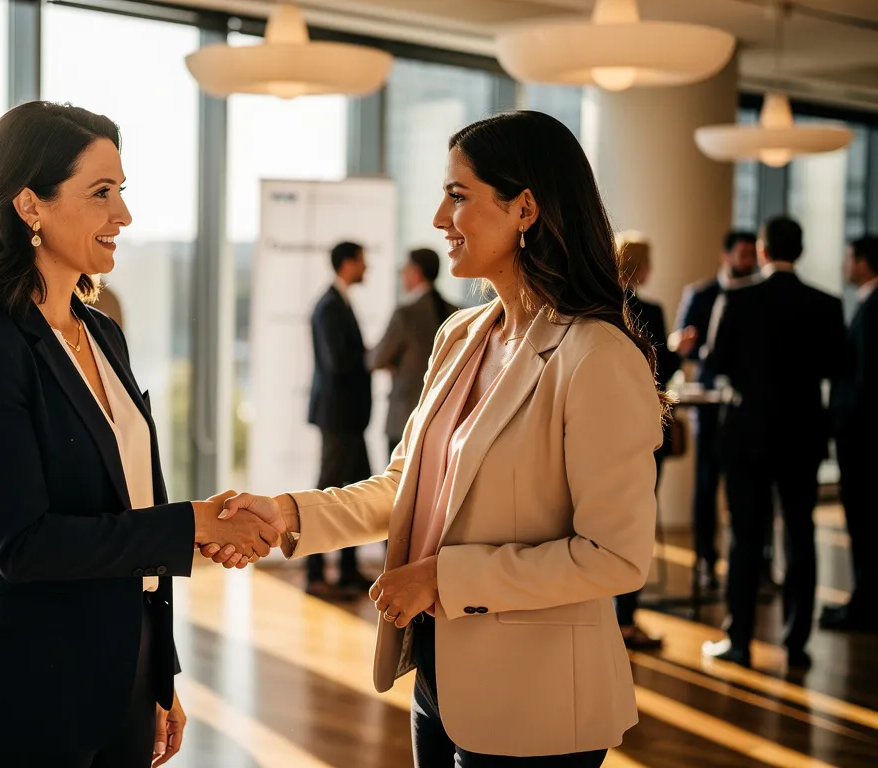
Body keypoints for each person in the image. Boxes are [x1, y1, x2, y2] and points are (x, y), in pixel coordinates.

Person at [211, 111, 665, 765]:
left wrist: (443, 579)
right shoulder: (461, 335)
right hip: (438, 680)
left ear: (525, 209)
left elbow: (614, 557)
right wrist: (287, 513)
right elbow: (406, 486)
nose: (437, 219)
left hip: (536, 703)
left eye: (457, 195)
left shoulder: (597, 356)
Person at [0, 101, 279, 767]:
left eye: (122, 191)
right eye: (101, 193)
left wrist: (160, 674)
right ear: (30, 205)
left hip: (123, 678)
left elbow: (129, 503)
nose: (124, 215)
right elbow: (23, 545)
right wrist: (191, 524)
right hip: (25, 694)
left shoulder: (102, 333)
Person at [702, 216, 845, 669]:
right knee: (800, 535)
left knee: (745, 537)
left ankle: (739, 640)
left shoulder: (737, 298)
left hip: (748, 431)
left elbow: (718, 360)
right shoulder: (826, 304)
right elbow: (837, 366)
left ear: (762, 251)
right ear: (799, 251)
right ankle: (796, 643)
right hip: (802, 433)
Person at [670, 231, 759, 589]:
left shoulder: (759, 296)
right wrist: (689, 347)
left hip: (748, 406)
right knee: (706, 483)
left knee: (752, 487)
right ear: (726, 255)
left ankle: (757, 563)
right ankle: (705, 558)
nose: (749, 261)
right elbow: (681, 343)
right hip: (708, 404)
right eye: (743, 254)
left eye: (753, 255)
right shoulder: (701, 294)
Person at [614, 233, 679, 651]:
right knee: (636, 524)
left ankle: (605, 616)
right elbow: (661, 372)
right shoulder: (649, 310)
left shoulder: (597, 307)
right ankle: (626, 618)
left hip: (603, 429)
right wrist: (677, 350)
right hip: (640, 432)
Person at [306, 241, 374, 597]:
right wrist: (374, 358)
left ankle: (347, 570)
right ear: (347, 264)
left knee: (357, 492)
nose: (367, 267)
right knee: (327, 493)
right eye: (362, 261)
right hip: (337, 417)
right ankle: (315, 575)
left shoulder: (339, 301)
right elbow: (338, 362)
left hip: (349, 418)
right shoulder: (330, 305)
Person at [823, 234, 878, 632]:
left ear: (864, 262)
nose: (845, 265)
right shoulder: (867, 304)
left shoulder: (874, 309)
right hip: (861, 436)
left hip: (863, 440)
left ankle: (866, 607)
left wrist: (844, 426)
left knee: (865, 523)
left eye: (849, 257)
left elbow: (866, 381)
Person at [370, 247, 458, 456]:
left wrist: (393, 363)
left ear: (416, 272)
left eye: (405, 268)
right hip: (445, 416)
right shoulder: (456, 311)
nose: (401, 274)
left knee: (397, 475)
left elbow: (376, 360)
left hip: (405, 417)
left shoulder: (406, 314)